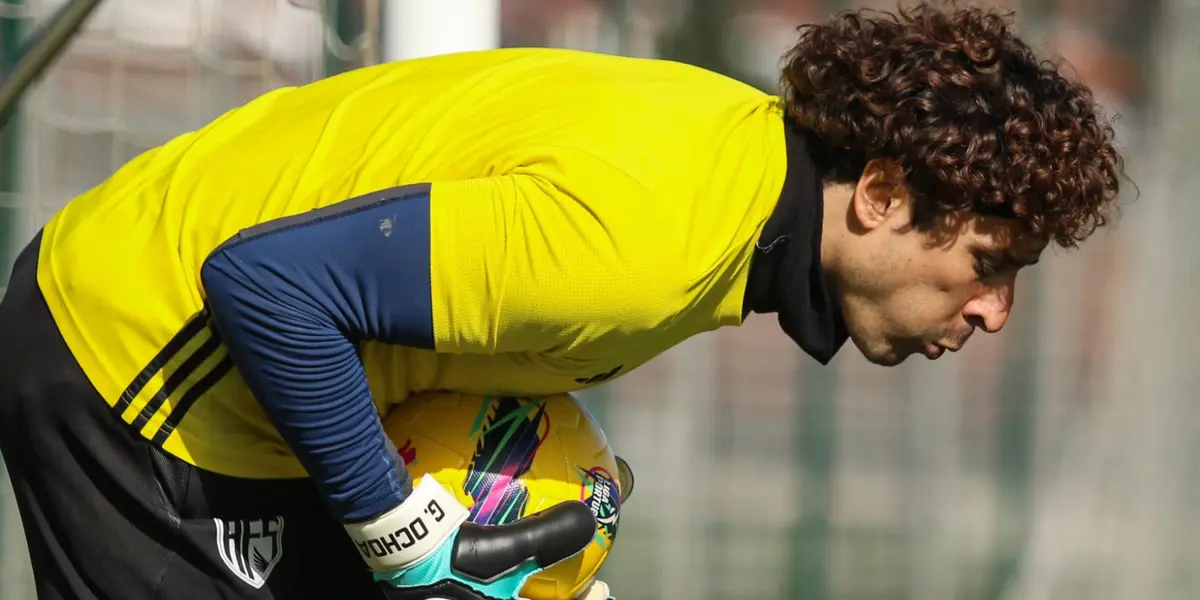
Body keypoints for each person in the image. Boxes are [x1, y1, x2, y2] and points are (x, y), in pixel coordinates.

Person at [0, 4, 1123, 600]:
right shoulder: (645, 242)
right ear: (879, 196)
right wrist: (403, 537)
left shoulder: (736, 173)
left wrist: (517, 528)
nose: (994, 312)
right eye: (991, 262)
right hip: (131, 348)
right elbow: (267, 286)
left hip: (238, 377)